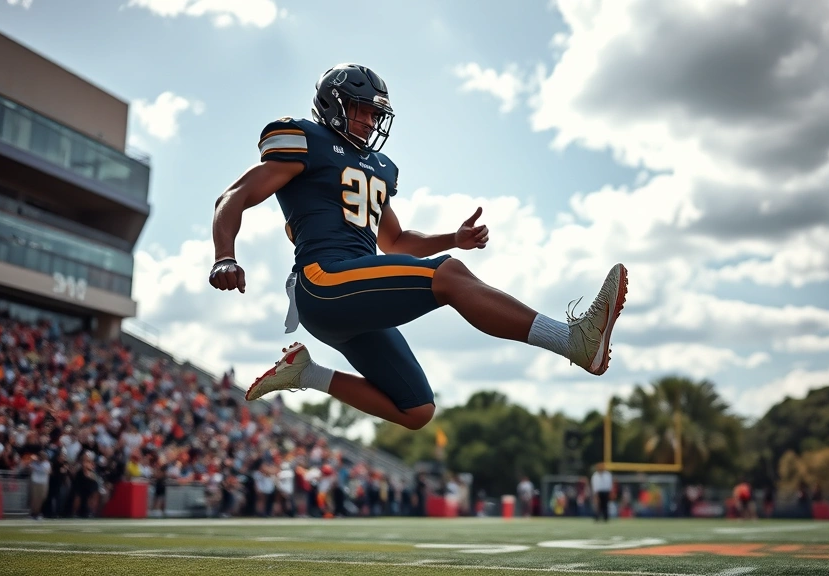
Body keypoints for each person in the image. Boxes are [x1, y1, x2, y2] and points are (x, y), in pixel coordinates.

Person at [209, 63, 628, 431]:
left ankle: (307, 374)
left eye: (376, 114)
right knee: (449, 275)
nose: (371, 121)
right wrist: (224, 255)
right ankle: (570, 339)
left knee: (416, 409)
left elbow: (397, 241)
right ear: (335, 104)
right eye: (363, 110)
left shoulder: (377, 167)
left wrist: (453, 239)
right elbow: (234, 196)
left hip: (355, 294)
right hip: (323, 281)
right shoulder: (304, 138)